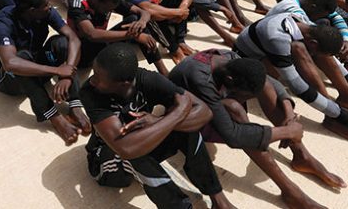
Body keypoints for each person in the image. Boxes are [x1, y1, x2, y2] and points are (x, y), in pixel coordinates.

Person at [170, 50, 346, 206]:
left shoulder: (229, 59)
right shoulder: (200, 79)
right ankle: (290, 191)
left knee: (264, 86)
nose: (245, 100)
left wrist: (289, 114)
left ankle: (301, 155)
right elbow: (233, 136)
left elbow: (270, 81)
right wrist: (286, 131)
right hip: (184, 119)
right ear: (229, 80)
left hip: (211, 102)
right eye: (245, 96)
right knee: (235, 109)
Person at [79, 43, 237, 209]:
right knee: (135, 154)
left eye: (98, 77)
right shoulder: (90, 93)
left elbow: (204, 112)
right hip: (108, 162)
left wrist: (157, 121)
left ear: (124, 83)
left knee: (189, 132)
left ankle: (219, 200)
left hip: (147, 139)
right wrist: (176, 114)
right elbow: (125, 148)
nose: (92, 81)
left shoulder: (144, 78)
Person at [234, 13, 348, 148]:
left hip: (270, 53)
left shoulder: (305, 25)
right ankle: (332, 117)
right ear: (313, 43)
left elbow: (332, 60)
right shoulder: (277, 38)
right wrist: (345, 117)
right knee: (299, 49)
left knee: (304, 48)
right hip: (248, 67)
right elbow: (299, 88)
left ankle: (345, 98)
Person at [0, 0, 90, 145]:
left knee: (61, 43)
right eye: (46, 5)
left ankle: (74, 105)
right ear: (32, 10)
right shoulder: (2, 23)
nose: (50, 7)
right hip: (9, 80)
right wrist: (57, 71)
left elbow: (73, 39)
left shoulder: (46, 12)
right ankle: (54, 116)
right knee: (21, 57)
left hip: (37, 67)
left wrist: (67, 74)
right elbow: (10, 63)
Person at [67, 0, 168, 74]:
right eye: (106, 9)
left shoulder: (110, 1)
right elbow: (91, 34)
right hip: (82, 53)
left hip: (100, 46)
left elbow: (144, 12)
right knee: (135, 29)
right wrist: (133, 35)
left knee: (135, 20)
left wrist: (142, 22)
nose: (108, 11)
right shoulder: (78, 5)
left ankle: (163, 72)